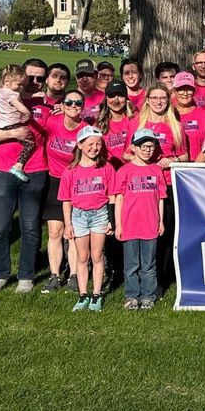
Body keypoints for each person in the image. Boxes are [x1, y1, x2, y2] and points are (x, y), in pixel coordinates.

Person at [0, 59, 51, 296]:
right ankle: (0, 275)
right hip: (3, 168)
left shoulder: (48, 105)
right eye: (30, 77)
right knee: (0, 227)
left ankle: (26, 276)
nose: (33, 83)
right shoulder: (5, 100)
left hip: (35, 169)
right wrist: (13, 133)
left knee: (30, 227)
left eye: (40, 78)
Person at [59, 126, 114, 312]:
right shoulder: (70, 171)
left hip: (100, 214)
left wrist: (111, 219)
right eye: (90, 144)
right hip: (79, 216)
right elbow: (66, 200)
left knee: (97, 256)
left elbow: (113, 195)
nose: (94, 148)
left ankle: (96, 295)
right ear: (80, 145)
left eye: (98, 144)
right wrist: (68, 224)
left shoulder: (106, 167)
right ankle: (83, 295)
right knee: (82, 257)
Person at [40, 89, 87, 294]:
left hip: (76, 183)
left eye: (78, 104)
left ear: (83, 107)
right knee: (55, 232)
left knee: (73, 234)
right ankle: (54, 275)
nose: (73, 107)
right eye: (69, 103)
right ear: (63, 104)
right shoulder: (52, 122)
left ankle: (74, 276)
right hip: (54, 182)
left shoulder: (85, 129)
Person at [115, 128, 166, 309]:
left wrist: (161, 221)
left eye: (151, 146)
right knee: (131, 265)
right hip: (129, 224)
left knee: (148, 264)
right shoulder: (124, 171)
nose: (147, 150)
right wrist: (119, 225)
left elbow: (160, 198)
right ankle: (132, 296)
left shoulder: (156, 170)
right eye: (143, 146)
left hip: (150, 224)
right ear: (133, 148)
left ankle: (148, 296)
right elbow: (119, 199)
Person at [171, 72, 205, 159]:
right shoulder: (169, 114)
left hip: (198, 168)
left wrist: (194, 168)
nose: (185, 93)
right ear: (174, 91)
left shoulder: (203, 114)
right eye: (181, 89)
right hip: (173, 167)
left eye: (189, 89)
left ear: (194, 91)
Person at [98, 81, 134, 167]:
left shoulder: (134, 120)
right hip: (111, 170)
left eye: (120, 95)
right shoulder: (99, 124)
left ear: (126, 98)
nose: (116, 100)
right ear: (106, 99)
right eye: (112, 96)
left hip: (133, 170)